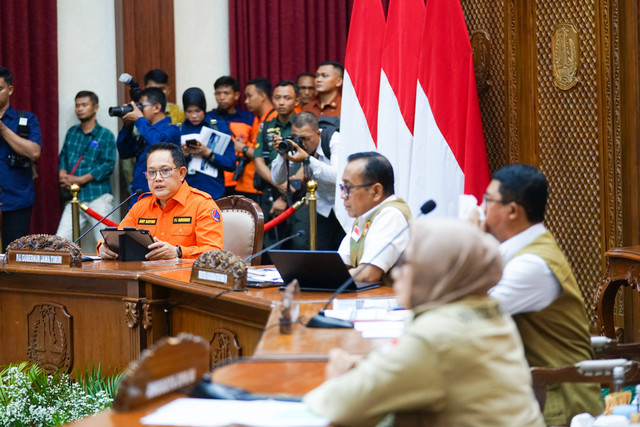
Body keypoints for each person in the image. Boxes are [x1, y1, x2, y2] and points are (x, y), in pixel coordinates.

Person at [304, 218, 545, 427]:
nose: (397, 274)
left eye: (407, 264)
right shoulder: (491, 314)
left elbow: (342, 405)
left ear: (436, 272)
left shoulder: (435, 336)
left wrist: (338, 377)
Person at [474, 164, 603, 425]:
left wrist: (468, 240)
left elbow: (470, 315)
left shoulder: (532, 264)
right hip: (534, 393)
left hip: (559, 401)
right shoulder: (522, 250)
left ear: (512, 210)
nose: (481, 209)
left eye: (488, 200)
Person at [98, 143, 223, 260]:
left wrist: (178, 252)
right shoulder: (141, 206)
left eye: (165, 171)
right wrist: (104, 248)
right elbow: (117, 239)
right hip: (145, 277)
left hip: (182, 280)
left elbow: (214, 253)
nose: (157, 178)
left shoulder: (202, 205)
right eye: (152, 172)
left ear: (181, 173)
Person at [271, 111, 344, 250]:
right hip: (322, 206)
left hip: (343, 205)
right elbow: (277, 179)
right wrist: (282, 155)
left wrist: (307, 159)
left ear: (318, 134)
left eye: (305, 138)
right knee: (321, 252)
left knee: (344, 254)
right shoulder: (296, 143)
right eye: (297, 138)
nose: (301, 143)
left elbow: (337, 176)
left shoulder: (334, 140)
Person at [337, 152, 411, 283]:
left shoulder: (392, 215)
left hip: (395, 301)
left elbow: (368, 274)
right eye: (342, 187)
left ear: (376, 191)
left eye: (348, 187)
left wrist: (323, 278)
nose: (343, 195)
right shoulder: (365, 217)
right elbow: (340, 264)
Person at [56, 91, 116, 243]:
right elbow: (63, 156)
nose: (79, 109)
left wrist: (81, 179)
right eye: (77, 105)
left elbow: (108, 164)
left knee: (108, 243)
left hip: (98, 196)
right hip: (75, 197)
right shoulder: (72, 132)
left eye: (84, 105)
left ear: (95, 108)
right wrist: (62, 174)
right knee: (60, 242)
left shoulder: (105, 135)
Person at [253, 81, 302, 251]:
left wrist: (286, 193)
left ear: (297, 101)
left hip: (298, 193)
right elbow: (259, 161)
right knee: (269, 247)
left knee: (299, 244)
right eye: (278, 98)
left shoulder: (303, 125)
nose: (281, 102)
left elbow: (308, 160)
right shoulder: (267, 125)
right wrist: (279, 185)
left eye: (287, 98)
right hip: (271, 192)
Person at [0, 66, 42, 251]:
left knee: (14, 258)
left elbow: (34, 152)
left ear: (10, 89)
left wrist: (2, 129)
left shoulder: (26, 119)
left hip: (16, 200)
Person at [116, 87, 181, 206]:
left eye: (141, 106)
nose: (139, 111)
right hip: (139, 196)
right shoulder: (144, 132)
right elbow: (124, 152)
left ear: (156, 107)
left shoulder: (172, 130)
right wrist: (128, 127)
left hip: (161, 198)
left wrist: (139, 120)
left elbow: (158, 143)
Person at [180, 87, 236, 199]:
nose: (194, 116)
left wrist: (207, 153)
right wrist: (182, 155)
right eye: (189, 112)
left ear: (204, 108)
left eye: (198, 111)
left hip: (214, 192)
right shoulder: (179, 130)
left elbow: (231, 164)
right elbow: (171, 168)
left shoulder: (219, 127)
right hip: (187, 193)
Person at [205, 76, 256, 196]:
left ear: (237, 95)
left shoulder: (249, 118)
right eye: (218, 93)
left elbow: (255, 147)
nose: (222, 97)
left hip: (242, 180)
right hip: (215, 178)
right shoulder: (207, 118)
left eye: (226, 93)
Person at [235, 77, 277, 202]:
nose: (246, 101)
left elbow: (268, 154)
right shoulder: (258, 119)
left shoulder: (273, 119)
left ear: (262, 96)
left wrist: (243, 148)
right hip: (249, 183)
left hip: (262, 186)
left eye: (249, 96)